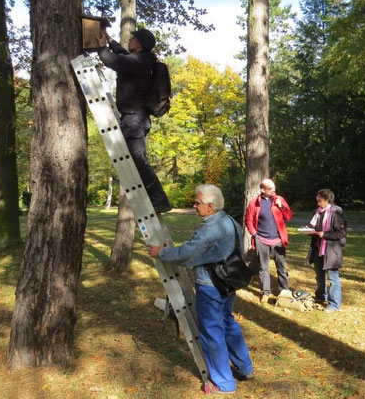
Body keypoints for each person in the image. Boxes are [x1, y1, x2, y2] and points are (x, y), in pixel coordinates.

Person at [147, 184, 254, 394]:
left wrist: (163, 253)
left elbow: (187, 254)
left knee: (212, 333)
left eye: (197, 202)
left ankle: (224, 383)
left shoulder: (211, 229)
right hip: (228, 283)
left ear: (210, 207)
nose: (194, 206)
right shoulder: (228, 221)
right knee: (228, 323)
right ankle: (245, 368)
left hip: (211, 286)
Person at [98, 27, 171, 213]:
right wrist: (108, 39)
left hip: (134, 119)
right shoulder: (141, 60)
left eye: (133, 38)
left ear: (139, 43)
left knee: (137, 159)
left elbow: (112, 60)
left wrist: (100, 47)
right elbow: (121, 54)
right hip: (136, 118)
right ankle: (155, 197)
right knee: (137, 158)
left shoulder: (140, 61)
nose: (129, 40)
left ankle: (159, 199)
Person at [245, 179, 292, 303]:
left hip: (278, 240)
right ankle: (266, 292)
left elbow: (288, 216)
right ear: (263, 190)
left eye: (274, 188)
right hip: (262, 240)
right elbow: (248, 220)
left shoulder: (279, 200)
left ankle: (284, 291)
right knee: (263, 268)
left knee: (281, 266)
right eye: (271, 189)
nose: (274, 190)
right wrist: (255, 235)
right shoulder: (254, 203)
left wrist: (281, 206)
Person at [305, 189, 347, 313]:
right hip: (318, 249)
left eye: (319, 197)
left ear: (326, 199)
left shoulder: (335, 213)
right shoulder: (316, 212)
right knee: (319, 275)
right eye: (317, 196)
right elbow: (314, 228)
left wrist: (324, 234)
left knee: (333, 278)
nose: (317, 199)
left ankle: (334, 304)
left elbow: (341, 233)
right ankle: (320, 296)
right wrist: (309, 231)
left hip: (331, 251)